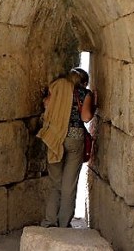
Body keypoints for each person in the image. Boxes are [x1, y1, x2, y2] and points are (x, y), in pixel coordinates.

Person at [37, 67, 94, 228]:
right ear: (84, 82)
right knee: (69, 185)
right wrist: (93, 106)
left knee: (56, 183)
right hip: (75, 140)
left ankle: (49, 221)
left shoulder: (57, 88)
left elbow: (46, 104)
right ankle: (63, 224)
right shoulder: (84, 94)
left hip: (55, 137)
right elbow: (86, 117)